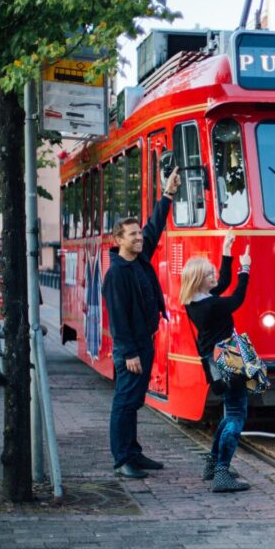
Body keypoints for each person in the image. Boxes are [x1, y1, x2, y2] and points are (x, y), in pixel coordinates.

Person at [102, 167, 180, 479]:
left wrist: (168, 195)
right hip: (131, 349)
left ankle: (134, 452)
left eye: (138, 234)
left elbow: (155, 227)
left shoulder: (138, 258)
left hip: (143, 343)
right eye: (133, 235)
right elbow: (118, 319)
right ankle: (123, 459)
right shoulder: (117, 273)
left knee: (133, 400)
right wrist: (130, 352)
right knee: (124, 401)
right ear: (118, 239)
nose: (139, 237)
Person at [181, 231, 252, 493]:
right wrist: (245, 269)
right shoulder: (211, 306)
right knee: (236, 414)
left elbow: (222, 284)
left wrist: (226, 251)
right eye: (209, 274)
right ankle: (222, 471)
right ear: (201, 281)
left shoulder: (195, 302)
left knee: (229, 410)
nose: (215, 277)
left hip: (213, 360)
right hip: (229, 357)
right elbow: (237, 298)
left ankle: (213, 464)